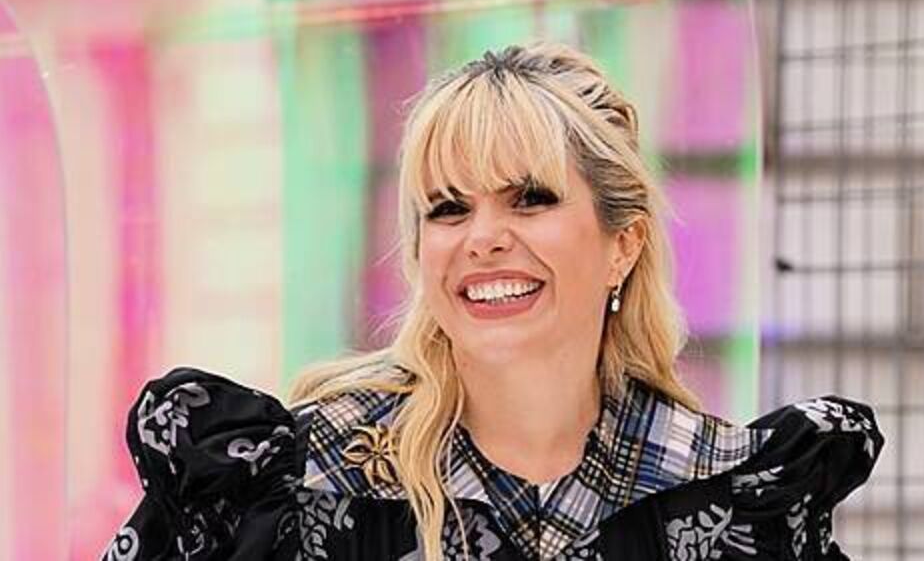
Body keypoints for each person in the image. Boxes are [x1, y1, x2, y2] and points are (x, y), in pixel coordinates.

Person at [102, 43, 882, 561]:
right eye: (448, 209)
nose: (483, 239)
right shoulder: (298, 485)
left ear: (623, 244)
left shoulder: (731, 500)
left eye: (530, 199)